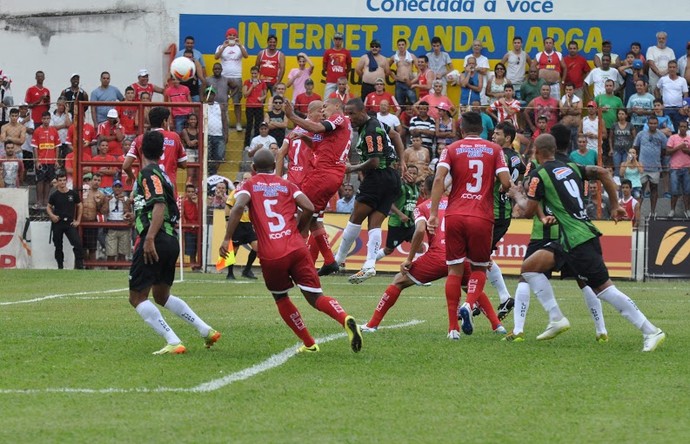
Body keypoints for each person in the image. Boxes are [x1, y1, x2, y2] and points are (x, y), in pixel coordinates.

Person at [508, 133, 665, 352]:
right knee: (529, 267)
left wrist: (517, 195)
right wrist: (614, 205)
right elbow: (601, 172)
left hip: (577, 239)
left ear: (538, 151)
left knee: (604, 289)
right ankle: (556, 318)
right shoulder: (572, 167)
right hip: (570, 238)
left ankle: (650, 330)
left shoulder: (538, 175)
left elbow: (527, 213)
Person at [220, 148, 363, 354]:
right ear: (278, 166)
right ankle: (345, 318)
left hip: (272, 253)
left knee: (281, 297)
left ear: (253, 168)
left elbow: (237, 207)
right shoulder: (288, 185)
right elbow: (310, 207)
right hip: (296, 247)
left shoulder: (249, 185)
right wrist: (297, 230)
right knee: (316, 296)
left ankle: (309, 343)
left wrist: (226, 239)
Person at [361, 174, 506, 336]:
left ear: (424, 189)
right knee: (470, 288)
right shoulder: (457, 204)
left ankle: (372, 324)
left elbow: (420, 230)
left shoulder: (423, 207)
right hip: (462, 256)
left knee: (399, 281)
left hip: (438, 256)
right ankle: (497, 325)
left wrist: (409, 259)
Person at [128, 130, 220, 355]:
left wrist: (149, 238)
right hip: (170, 239)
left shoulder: (148, 173)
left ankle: (172, 339)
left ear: (140, 150)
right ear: (162, 152)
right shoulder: (162, 174)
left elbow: (159, 205)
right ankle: (204, 329)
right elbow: (161, 205)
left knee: (137, 297)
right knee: (161, 295)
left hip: (155, 238)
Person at [428, 111, 512, 338]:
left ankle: (452, 329)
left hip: (454, 214)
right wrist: (501, 188)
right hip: (482, 216)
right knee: (479, 268)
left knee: (454, 270)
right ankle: (469, 304)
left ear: (461, 129)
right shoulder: (495, 150)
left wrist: (434, 214)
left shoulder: (451, 149)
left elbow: (438, 180)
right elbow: (506, 182)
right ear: (482, 130)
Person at [325, 98, 405, 283]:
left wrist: (351, 168)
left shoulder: (370, 131)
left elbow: (375, 161)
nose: (349, 117)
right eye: (347, 113)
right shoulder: (378, 124)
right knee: (375, 223)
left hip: (377, 177)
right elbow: (396, 136)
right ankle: (369, 264)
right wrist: (402, 161)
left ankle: (338, 260)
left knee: (355, 218)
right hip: (392, 179)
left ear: (363, 112)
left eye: (352, 113)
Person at [284, 97, 352, 265]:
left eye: (325, 106)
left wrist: (292, 116)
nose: (323, 110)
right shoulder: (331, 133)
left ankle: (298, 260)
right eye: (321, 108)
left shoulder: (338, 118)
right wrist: (303, 137)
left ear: (337, 106)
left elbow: (316, 127)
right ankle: (329, 261)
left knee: (302, 215)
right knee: (314, 218)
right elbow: (316, 146)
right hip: (329, 176)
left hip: (323, 175)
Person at [123, 106, 187, 190]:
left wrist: (131, 176)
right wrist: (170, 159)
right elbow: (183, 164)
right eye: (169, 120)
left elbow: (126, 166)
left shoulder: (140, 138)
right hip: (168, 188)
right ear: (164, 121)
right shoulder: (174, 137)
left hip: (147, 187)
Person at [376, 164, 419, 261]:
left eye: (414, 173)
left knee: (418, 246)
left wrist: (413, 215)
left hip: (410, 224)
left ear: (418, 176)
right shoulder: (400, 187)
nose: (412, 175)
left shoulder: (417, 189)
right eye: (410, 173)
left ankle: (414, 270)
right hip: (397, 224)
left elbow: (411, 205)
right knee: (388, 250)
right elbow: (389, 203)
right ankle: (369, 262)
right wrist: (401, 214)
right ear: (405, 174)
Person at [46, 171, 84, 269]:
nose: (62, 182)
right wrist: (52, 216)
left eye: (64, 180)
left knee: (77, 243)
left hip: (69, 223)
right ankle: (60, 266)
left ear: (66, 181)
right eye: (60, 180)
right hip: (58, 223)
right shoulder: (54, 195)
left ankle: (79, 265)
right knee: (58, 246)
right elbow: (48, 207)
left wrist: (78, 220)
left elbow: (80, 205)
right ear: (57, 182)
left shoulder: (72, 194)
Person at [224, 172, 259, 280]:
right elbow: (228, 206)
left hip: (248, 225)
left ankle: (247, 270)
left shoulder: (254, 193)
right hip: (237, 224)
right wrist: (227, 220)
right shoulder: (236, 192)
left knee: (257, 247)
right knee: (234, 249)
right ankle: (230, 273)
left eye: (248, 179)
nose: (246, 180)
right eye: (244, 179)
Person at [214, 27, 249, 131]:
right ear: (226, 36)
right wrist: (223, 47)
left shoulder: (240, 46)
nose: (232, 37)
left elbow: (246, 56)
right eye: (230, 35)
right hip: (223, 77)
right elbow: (216, 57)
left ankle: (238, 123)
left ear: (236, 36)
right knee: (223, 101)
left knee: (237, 102)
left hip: (236, 77)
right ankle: (222, 122)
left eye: (234, 35)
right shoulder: (221, 46)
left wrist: (239, 45)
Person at [633, 115, 668, 218]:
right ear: (647, 124)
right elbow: (635, 148)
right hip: (642, 167)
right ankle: (638, 212)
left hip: (655, 167)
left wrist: (657, 159)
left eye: (655, 123)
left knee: (654, 189)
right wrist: (639, 162)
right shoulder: (641, 134)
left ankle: (653, 212)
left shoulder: (661, 135)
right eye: (651, 123)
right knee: (641, 190)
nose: (653, 125)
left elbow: (664, 150)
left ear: (657, 124)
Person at [31, 111, 60, 208]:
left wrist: (56, 160)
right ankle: (39, 201)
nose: (46, 120)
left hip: (51, 161)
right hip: (41, 161)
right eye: (44, 119)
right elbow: (35, 147)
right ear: (41, 119)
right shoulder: (37, 131)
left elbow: (57, 146)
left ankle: (46, 201)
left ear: (50, 119)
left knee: (48, 181)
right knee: (40, 181)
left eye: (48, 118)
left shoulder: (54, 131)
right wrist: (37, 161)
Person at [665, 119, 690, 218]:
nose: (683, 128)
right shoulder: (672, 137)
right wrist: (679, 147)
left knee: (687, 191)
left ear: (687, 128)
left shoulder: (689, 138)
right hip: (675, 168)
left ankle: (687, 210)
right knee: (674, 191)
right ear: (678, 128)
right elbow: (667, 152)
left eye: (685, 126)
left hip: (687, 168)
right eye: (681, 126)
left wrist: (687, 150)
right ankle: (672, 210)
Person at [105, 179, 132, 262]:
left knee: (122, 254)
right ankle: (110, 272)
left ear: (122, 189)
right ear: (112, 188)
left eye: (119, 187)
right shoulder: (108, 198)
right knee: (110, 253)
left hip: (124, 228)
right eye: (115, 187)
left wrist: (124, 202)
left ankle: (120, 272)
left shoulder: (127, 199)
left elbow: (130, 213)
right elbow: (103, 211)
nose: (117, 189)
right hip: (111, 228)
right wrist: (106, 201)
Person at [389, 38, 417, 106]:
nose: (401, 46)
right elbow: (387, 67)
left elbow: (420, 69)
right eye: (399, 45)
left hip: (409, 83)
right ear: (397, 46)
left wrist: (413, 81)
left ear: (405, 45)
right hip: (399, 83)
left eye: (402, 44)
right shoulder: (394, 57)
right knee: (399, 104)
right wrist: (393, 76)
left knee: (413, 103)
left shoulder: (412, 56)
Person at [609, 108, 636, 173]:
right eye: (619, 114)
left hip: (627, 151)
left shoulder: (630, 125)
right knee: (617, 167)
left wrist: (632, 149)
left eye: (622, 114)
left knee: (626, 168)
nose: (621, 115)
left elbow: (635, 138)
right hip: (616, 150)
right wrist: (611, 149)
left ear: (626, 115)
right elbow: (610, 138)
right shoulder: (614, 125)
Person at [181, 183, 200, 269]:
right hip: (189, 229)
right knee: (191, 250)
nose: (191, 193)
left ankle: (198, 265)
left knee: (200, 248)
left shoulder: (199, 202)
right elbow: (181, 215)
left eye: (192, 192)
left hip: (199, 229)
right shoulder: (183, 203)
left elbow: (201, 214)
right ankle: (194, 266)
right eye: (189, 192)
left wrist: (196, 203)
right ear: (186, 193)